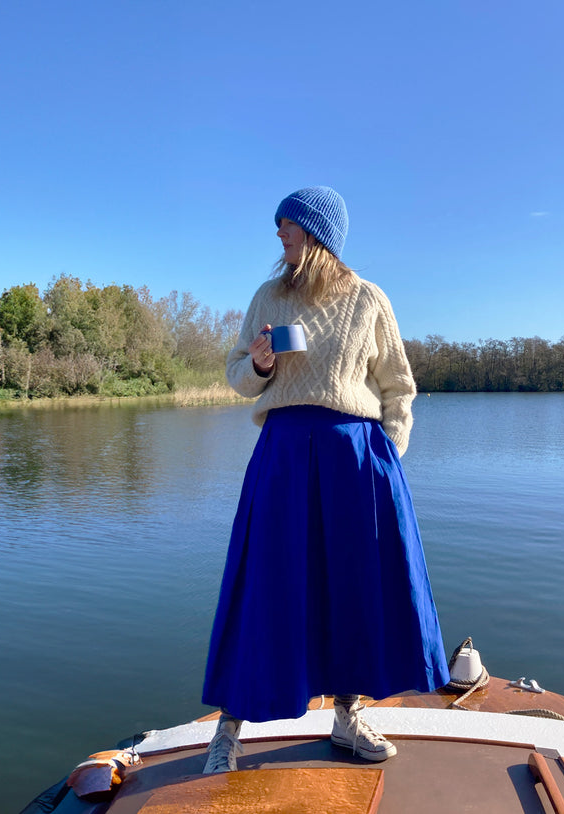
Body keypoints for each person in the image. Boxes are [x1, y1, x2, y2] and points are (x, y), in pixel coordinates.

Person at [200, 186, 449, 773]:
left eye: (287, 223)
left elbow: (398, 387)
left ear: (317, 234)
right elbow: (237, 375)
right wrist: (258, 363)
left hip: (356, 462)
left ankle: (347, 716)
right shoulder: (269, 296)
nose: (279, 233)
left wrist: (388, 455)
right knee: (265, 583)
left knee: (353, 585)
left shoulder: (368, 298)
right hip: (284, 456)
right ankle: (228, 730)